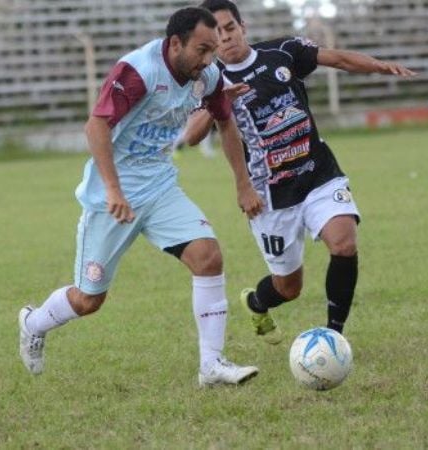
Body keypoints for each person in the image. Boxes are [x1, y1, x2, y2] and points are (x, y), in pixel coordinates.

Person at [18, 7, 265, 387]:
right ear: (175, 43)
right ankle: (33, 322)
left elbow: (224, 119)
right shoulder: (138, 71)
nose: (208, 60)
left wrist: (243, 183)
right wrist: (114, 189)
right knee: (89, 300)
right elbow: (96, 126)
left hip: (161, 186)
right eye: (201, 50)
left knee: (208, 256)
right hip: (112, 199)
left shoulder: (207, 75)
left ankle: (211, 366)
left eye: (212, 51)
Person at [184, 0, 416, 343]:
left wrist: (379, 67)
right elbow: (192, 135)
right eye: (217, 34)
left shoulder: (283, 51)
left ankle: (333, 336)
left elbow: (336, 58)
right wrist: (221, 104)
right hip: (269, 196)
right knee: (288, 287)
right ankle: (255, 302)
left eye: (230, 28)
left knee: (344, 243)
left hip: (317, 172)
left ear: (242, 26)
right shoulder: (210, 82)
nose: (226, 38)